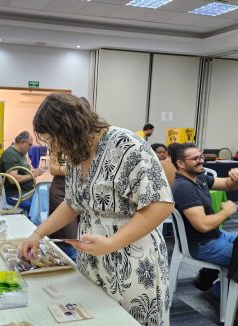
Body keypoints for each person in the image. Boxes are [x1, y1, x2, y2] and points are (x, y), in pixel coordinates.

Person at [20, 93, 174, 325]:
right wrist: (38, 234)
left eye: (54, 139)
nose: (53, 147)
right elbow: (72, 202)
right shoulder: (74, 153)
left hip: (132, 262)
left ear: (70, 127)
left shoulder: (127, 145)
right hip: (94, 259)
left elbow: (160, 205)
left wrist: (112, 244)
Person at [168, 143, 238, 299]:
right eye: (196, 158)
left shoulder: (199, 178)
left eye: (201, 156)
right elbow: (203, 225)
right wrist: (226, 212)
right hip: (201, 245)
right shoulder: (183, 187)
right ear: (181, 164)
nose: (202, 160)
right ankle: (216, 293)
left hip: (214, 236)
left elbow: (228, 185)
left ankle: (206, 276)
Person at [0, 131, 44, 210]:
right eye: (29, 145)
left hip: (25, 193)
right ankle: (37, 222)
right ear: (22, 142)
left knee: (49, 198)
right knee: (42, 204)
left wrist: (35, 171)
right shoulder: (10, 154)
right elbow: (13, 179)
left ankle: (38, 221)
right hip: (16, 196)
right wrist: (34, 174)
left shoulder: (20, 154)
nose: (30, 148)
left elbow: (26, 172)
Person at [47, 152, 79, 261]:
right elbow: (53, 169)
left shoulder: (84, 143)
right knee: (67, 233)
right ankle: (66, 262)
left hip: (79, 191)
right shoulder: (57, 144)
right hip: (61, 190)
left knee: (81, 233)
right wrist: (76, 169)